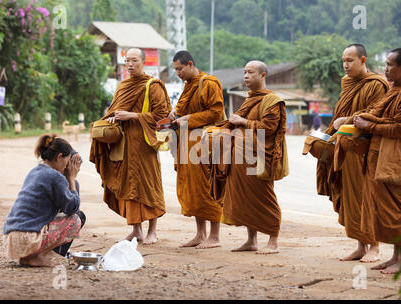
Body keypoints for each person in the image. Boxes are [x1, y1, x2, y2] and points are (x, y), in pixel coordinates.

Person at [354, 48, 401, 274]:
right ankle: (395, 257)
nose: (385, 69)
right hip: (380, 157)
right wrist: (360, 119)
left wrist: (369, 125)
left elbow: (400, 128)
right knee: (386, 210)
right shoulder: (394, 90)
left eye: (389, 65)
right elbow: (377, 112)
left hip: (398, 160)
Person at [90, 48, 172, 244]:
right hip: (124, 145)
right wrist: (112, 119)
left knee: (148, 185)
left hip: (145, 144)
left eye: (134, 60)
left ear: (144, 63)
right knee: (128, 184)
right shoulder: (122, 86)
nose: (130, 64)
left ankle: (153, 230)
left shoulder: (153, 85)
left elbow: (163, 116)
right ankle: (136, 230)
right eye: (127, 61)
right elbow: (113, 110)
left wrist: (133, 116)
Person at [316, 44, 389, 262]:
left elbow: (376, 114)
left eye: (350, 60)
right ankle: (360, 245)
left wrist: (345, 121)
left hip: (365, 149)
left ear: (363, 60)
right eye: (343, 61)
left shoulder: (376, 84)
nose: (346, 65)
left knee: (366, 196)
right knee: (349, 197)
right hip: (344, 148)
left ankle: (374, 246)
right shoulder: (347, 83)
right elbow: (341, 114)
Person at [212, 60, 287, 254]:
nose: (246, 76)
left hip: (260, 157)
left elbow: (269, 128)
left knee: (264, 197)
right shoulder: (249, 99)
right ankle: (251, 240)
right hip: (241, 157)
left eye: (250, 72)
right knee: (246, 199)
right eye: (244, 72)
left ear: (262, 75)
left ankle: (273, 241)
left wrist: (243, 121)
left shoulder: (272, 100)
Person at [168, 50, 224, 249]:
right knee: (192, 188)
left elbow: (215, 112)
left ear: (190, 64)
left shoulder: (209, 83)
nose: (178, 73)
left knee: (206, 187)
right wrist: (175, 114)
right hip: (186, 142)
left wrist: (188, 119)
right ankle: (200, 234)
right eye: (175, 70)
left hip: (204, 143)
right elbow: (186, 109)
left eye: (180, 69)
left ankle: (215, 236)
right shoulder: (188, 86)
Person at [2, 134, 82, 267]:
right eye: (68, 160)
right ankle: (37, 256)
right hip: (28, 239)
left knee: (66, 216)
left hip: (11, 238)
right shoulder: (55, 177)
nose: (68, 165)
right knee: (76, 220)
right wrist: (72, 178)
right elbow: (72, 208)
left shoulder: (35, 171)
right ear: (59, 157)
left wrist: (69, 178)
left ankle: (35, 255)